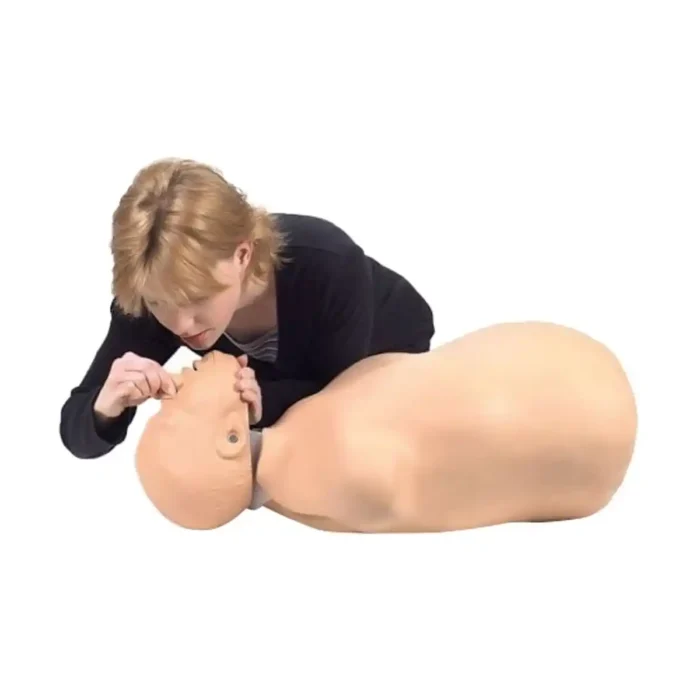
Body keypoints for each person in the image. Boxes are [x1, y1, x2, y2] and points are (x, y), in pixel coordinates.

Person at [59, 157, 435, 459]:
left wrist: (263, 403)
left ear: (242, 254)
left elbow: (339, 401)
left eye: (197, 297)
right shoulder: (150, 288)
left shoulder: (328, 264)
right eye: (159, 303)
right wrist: (104, 406)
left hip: (387, 347)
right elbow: (75, 430)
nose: (180, 324)